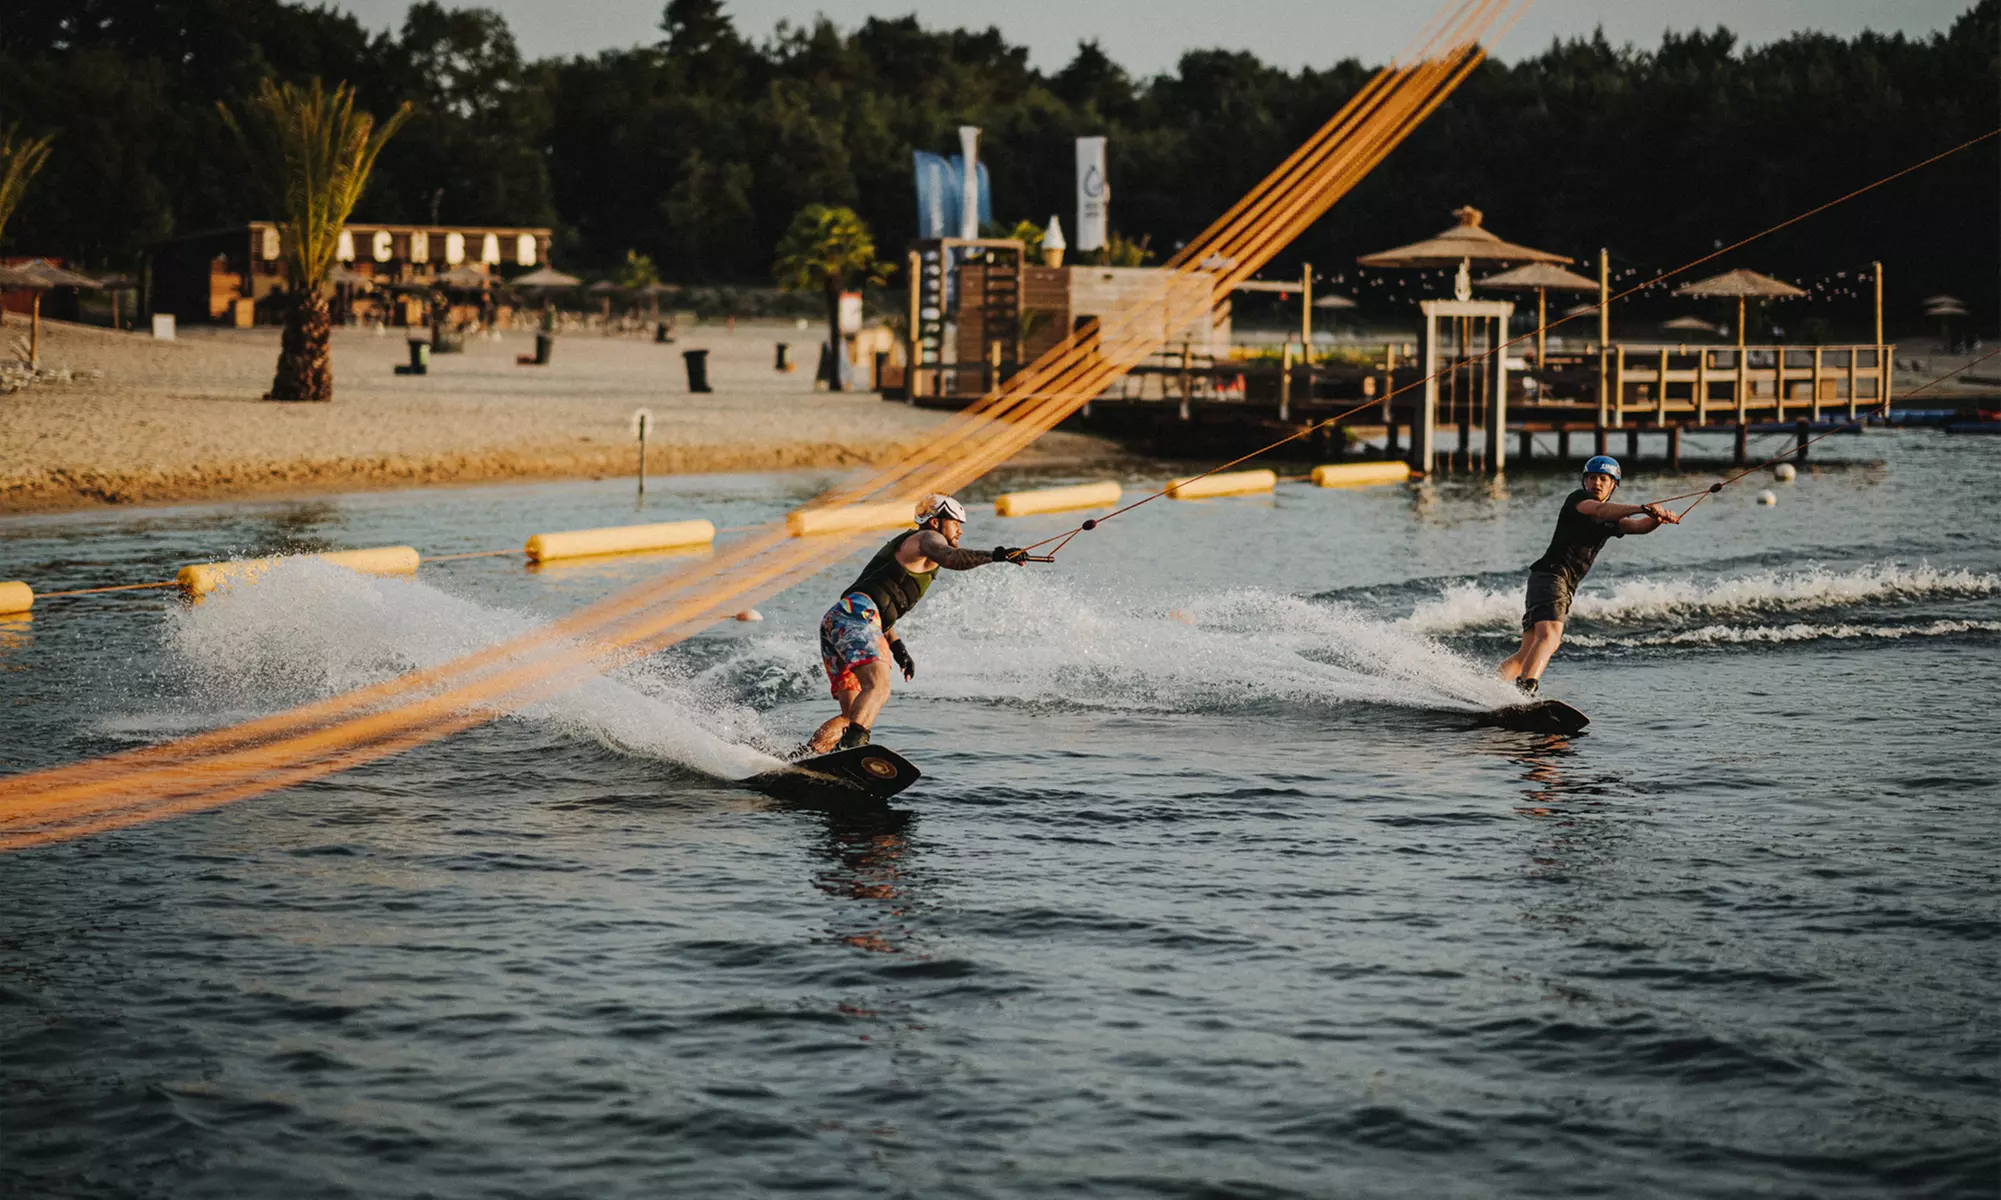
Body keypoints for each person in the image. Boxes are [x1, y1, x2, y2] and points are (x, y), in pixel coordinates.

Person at [808, 494, 1029, 754]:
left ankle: (808, 756)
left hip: (840, 619)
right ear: (935, 523)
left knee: (853, 712)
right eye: (955, 522)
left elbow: (879, 602)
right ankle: (853, 751)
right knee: (878, 686)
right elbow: (952, 558)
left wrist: (898, 647)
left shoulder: (911, 551)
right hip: (857, 616)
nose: (960, 529)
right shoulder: (927, 539)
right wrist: (998, 555)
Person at [1498, 456, 1679, 695]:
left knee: (1527, 650)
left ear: (1614, 485)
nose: (1597, 483)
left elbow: (1637, 527)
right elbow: (1601, 509)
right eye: (1592, 478)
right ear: (1584, 481)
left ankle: (1489, 687)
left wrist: (1657, 518)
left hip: (1546, 580)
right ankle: (1526, 690)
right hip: (1553, 577)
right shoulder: (1579, 500)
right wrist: (1641, 507)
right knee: (1551, 637)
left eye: (1604, 479)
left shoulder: (1611, 522)